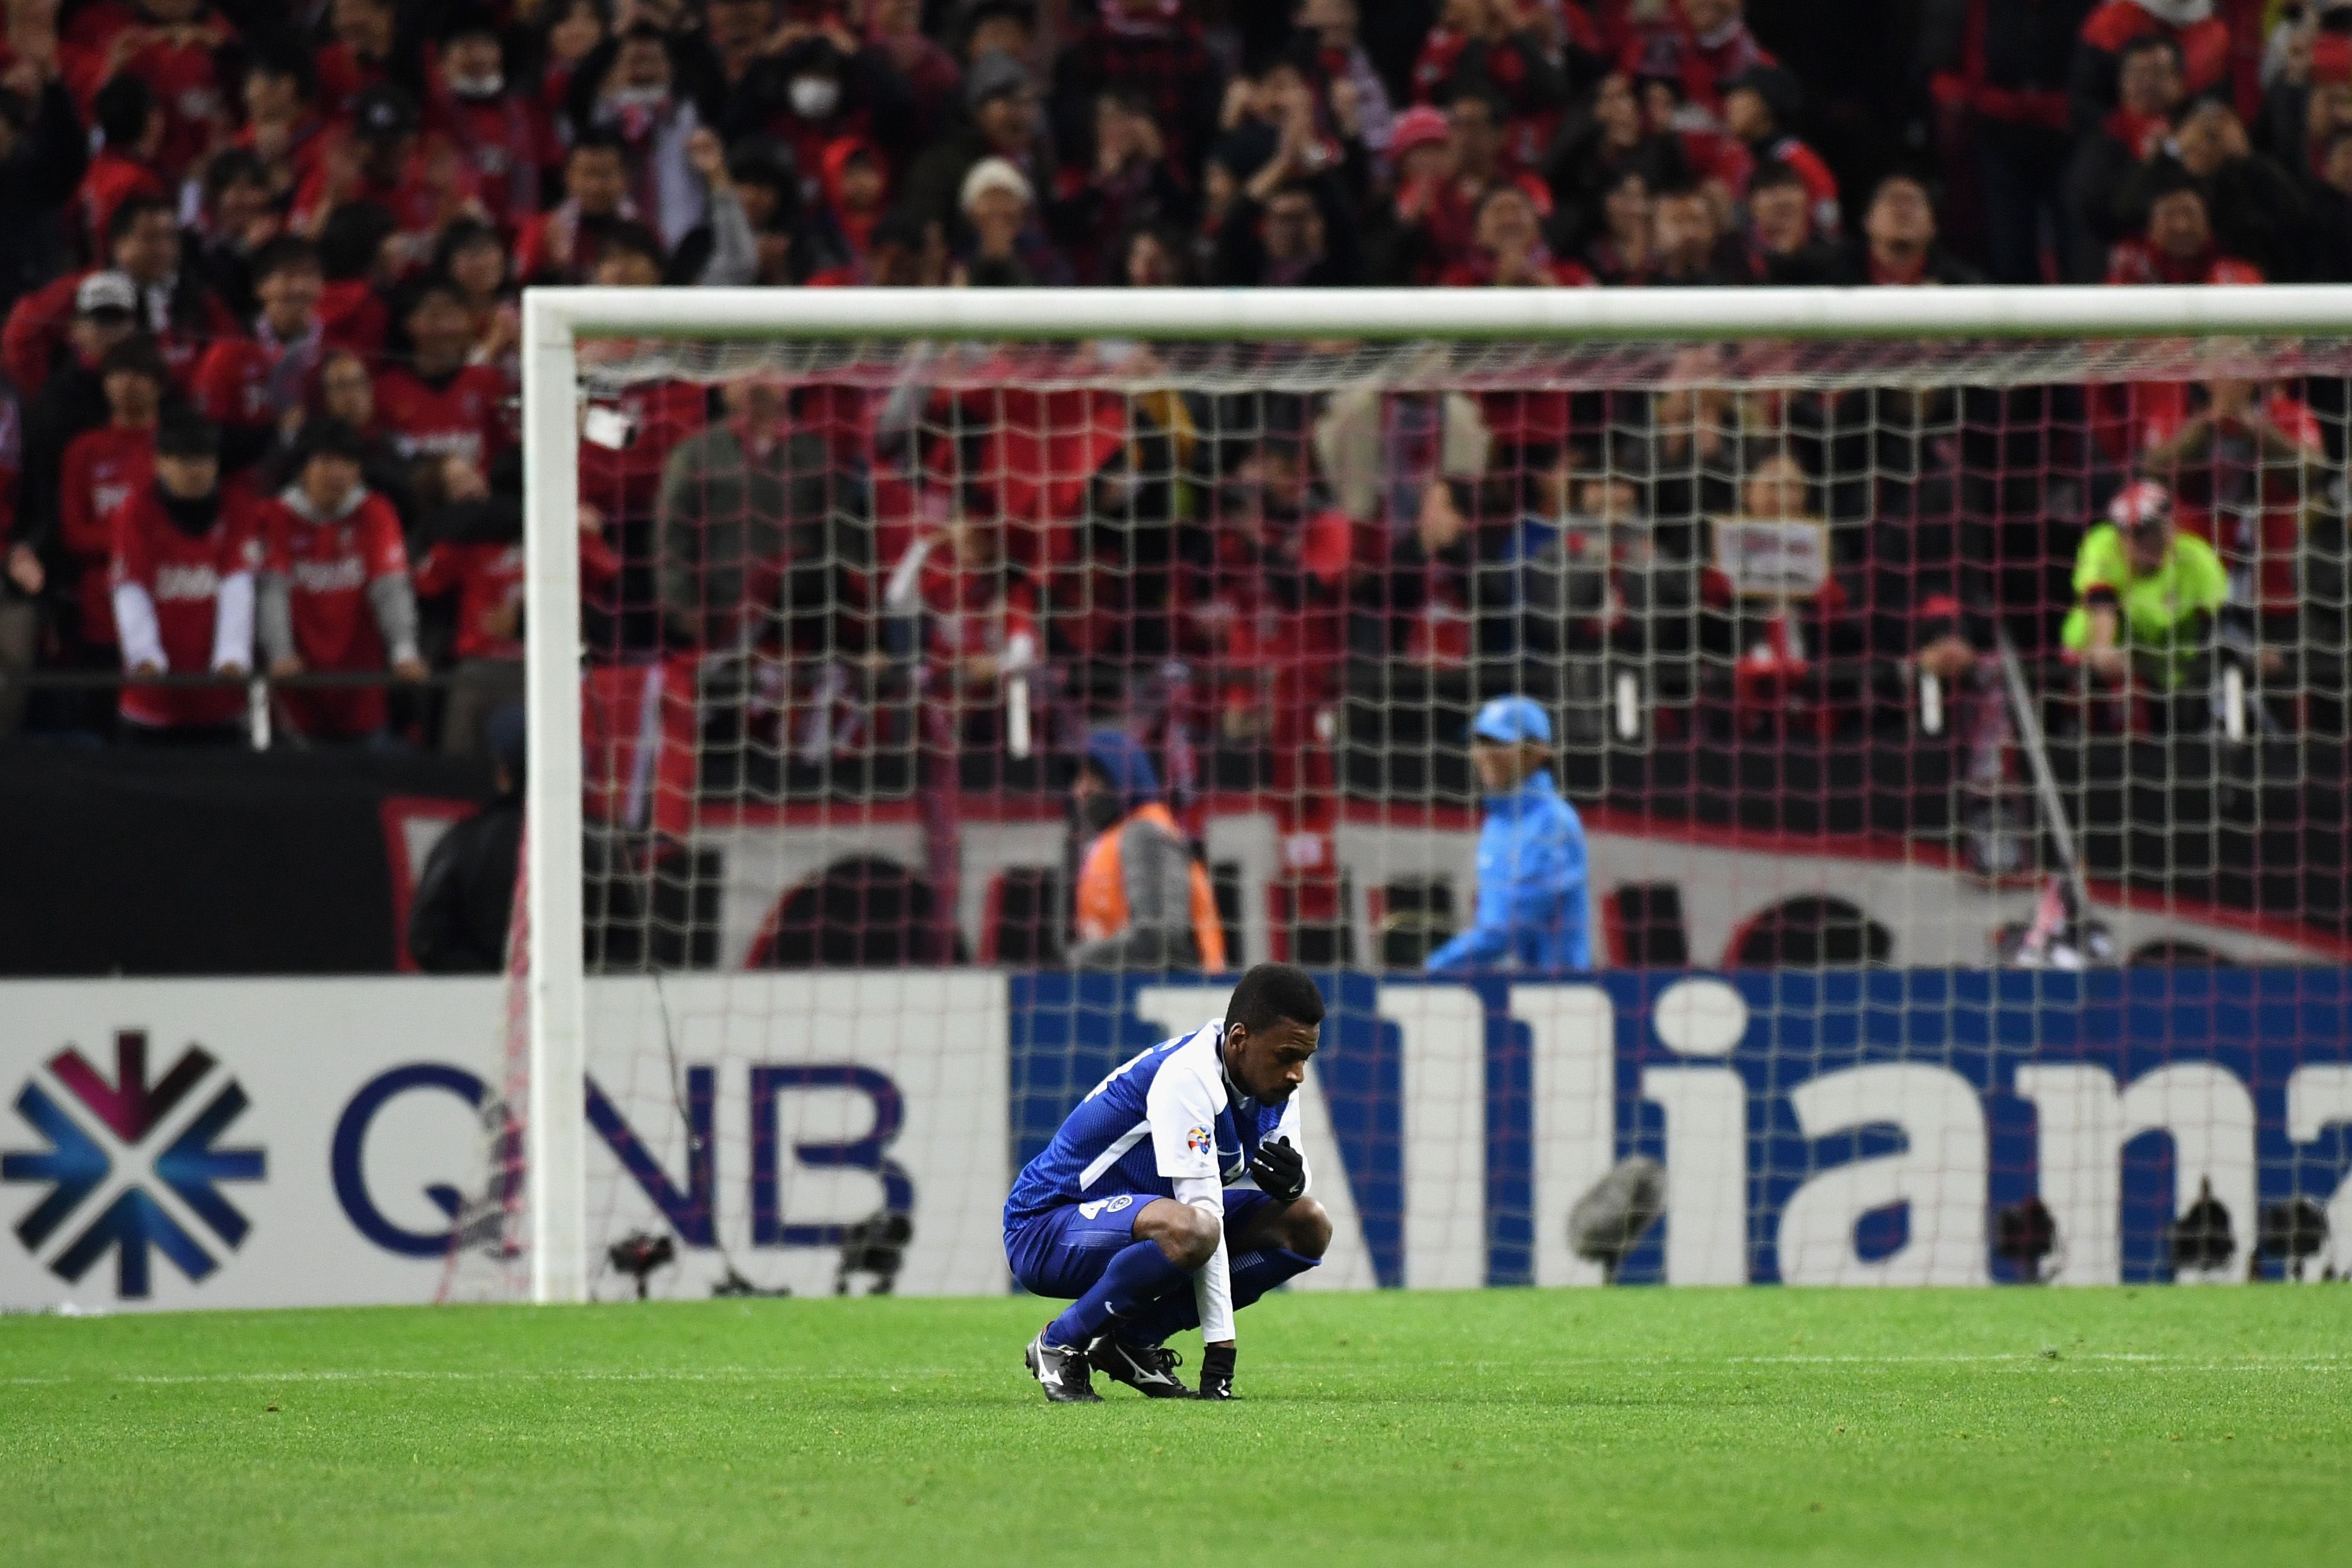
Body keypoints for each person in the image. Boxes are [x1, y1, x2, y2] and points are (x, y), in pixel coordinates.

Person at [1004, 960, 1332, 1402]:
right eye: (1286, 1057)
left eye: (1304, 1059)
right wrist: (1220, 1358)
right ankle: (1059, 1342)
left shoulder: (1271, 1085)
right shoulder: (1187, 1076)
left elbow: (1290, 1172)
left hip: (1149, 1228)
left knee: (1307, 1223)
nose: (1297, 1074)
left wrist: (1293, 1182)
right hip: (1045, 1230)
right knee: (1194, 1230)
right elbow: (1203, 1219)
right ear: (1239, 1039)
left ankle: (1131, 1341)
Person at [109, 412, 259, 744]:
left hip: (219, 701)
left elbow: (238, 586)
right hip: (151, 703)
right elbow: (130, 589)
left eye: (203, 460)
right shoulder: (136, 511)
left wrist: (232, 656)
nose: (194, 470)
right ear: (160, 463)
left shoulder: (236, 507)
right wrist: (144, 656)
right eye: (183, 460)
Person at [1423, 694, 1592, 973]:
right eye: (1480, 742)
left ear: (1537, 751)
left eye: (1499, 743)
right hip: (1507, 988)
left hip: (1558, 989)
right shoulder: (1496, 822)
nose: (1485, 753)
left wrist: (1436, 967)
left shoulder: (1554, 822)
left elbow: (1509, 928)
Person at [1069, 726, 1229, 972]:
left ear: (1119, 776)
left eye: (1090, 779)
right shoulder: (1120, 836)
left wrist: (1079, 959)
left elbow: (1159, 943)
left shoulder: (1146, 834)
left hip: (1169, 990)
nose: (1079, 791)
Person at [2062, 478, 2231, 709]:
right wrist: (2103, 648)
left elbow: (2225, 618)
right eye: (2135, 532)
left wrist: (2250, 653)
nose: (2147, 540)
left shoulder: (2196, 557)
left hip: (2171, 665)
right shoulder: (2102, 543)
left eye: (2154, 529)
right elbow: (2102, 602)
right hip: (2108, 656)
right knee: (2082, 635)